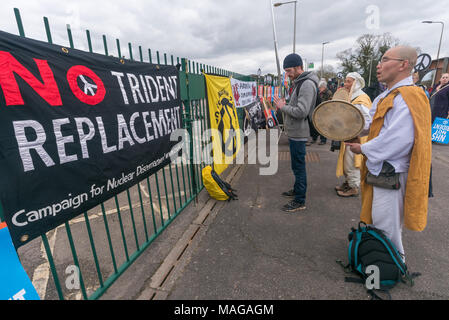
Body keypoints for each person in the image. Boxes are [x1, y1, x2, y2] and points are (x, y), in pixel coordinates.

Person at [345, 46, 432, 260]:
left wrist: (362, 148)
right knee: (379, 220)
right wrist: (345, 124)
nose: (379, 65)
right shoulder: (387, 95)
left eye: (385, 59)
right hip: (382, 170)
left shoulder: (409, 96)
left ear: (403, 64)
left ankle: (389, 267)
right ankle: (379, 261)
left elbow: (399, 140)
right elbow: (370, 123)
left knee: (387, 225)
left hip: (392, 173)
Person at [273, 53, 319, 212]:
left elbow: (301, 111)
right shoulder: (301, 82)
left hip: (299, 133)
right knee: (296, 165)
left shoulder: (306, 84)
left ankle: (300, 200)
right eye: (286, 71)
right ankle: (297, 190)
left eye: (289, 70)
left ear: (300, 67)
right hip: (296, 132)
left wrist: (282, 107)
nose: (287, 74)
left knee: (299, 167)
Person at [335, 72, 372, 197]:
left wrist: (356, 133)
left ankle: (353, 187)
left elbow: (367, 122)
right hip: (349, 134)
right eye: (345, 81)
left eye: (349, 81)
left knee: (353, 162)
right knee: (347, 161)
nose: (346, 84)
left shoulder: (361, 99)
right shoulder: (352, 96)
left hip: (357, 137)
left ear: (356, 83)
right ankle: (348, 182)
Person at [307, 81, 331, 146]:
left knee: (323, 127)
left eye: (320, 88)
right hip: (318, 111)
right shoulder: (318, 92)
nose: (319, 89)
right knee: (315, 125)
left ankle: (323, 140)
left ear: (324, 87)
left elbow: (328, 102)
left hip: (325, 112)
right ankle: (314, 138)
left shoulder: (328, 93)